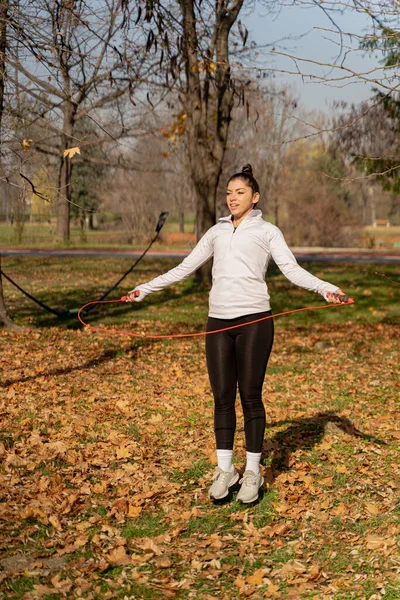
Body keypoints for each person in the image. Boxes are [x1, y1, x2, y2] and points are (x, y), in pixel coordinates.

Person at [126, 164, 347, 503]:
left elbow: (291, 269)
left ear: (255, 197)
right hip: (218, 323)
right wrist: (145, 289)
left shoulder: (268, 231)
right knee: (222, 398)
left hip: (255, 322)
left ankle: (253, 472)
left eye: (240, 192)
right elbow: (186, 266)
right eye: (229, 193)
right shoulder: (216, 232)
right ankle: (226, 470)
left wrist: (326, 289)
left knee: (251, 398)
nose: (232, 198)